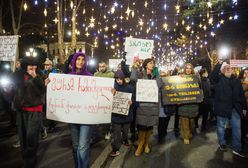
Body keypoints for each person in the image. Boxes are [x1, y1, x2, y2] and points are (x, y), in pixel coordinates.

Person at [14, 56, 48, 168]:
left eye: (34, 65)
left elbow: (42, 90)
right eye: (30, 65)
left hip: (35, 111)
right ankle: (25, 160)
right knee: (23, 138)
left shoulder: (40, 75)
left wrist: (35, 77)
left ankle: (30, 162)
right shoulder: (19, 75)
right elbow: (13, 89)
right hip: (21, 111)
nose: (32, 67)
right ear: (25, 66)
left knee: (31, 138)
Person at [210, 61, 247, 157]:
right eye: (226, 68)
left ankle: (237, 148)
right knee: (221, 127)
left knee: (237, 129)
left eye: (230, 68)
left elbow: (241, 95)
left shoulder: (236, 80)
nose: (229, 69)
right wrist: (219, 63)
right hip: (222, 108)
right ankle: (222, 143)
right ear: (222, 71)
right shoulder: (218, 80)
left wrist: (244, 107)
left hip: (235, 108)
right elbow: (213, 75)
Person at [130, 58, 162, 156]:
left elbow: (160, 85)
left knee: (149, 126)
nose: (152, 65)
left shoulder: (155, 75)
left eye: (153, 63)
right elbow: (133, 79)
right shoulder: (140, 74)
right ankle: (141, 144)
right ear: (145, 65)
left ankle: (147, 144)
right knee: (142, 126)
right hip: (142, 104)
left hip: (153, 105)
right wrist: (134, 68)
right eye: (150, 63)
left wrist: (157, 74)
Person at [68, 52, 93, 168]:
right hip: (72, 116)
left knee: (82, 147)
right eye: (78, 59)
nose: (81, 61)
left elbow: (97, 94)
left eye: (83, 59)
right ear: (74, 61)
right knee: (75, 146)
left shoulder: (90, 77)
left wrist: (110, 91)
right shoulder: (67, 77)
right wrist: (49, 84)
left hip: (86, 117)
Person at [110, 70, 134, 157]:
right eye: (116, 79)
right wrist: (111, 94)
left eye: (120, 79)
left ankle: (125, 140)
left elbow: (134, 100)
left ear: (123, 78)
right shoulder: (113, 88)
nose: (118, 81)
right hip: (116, 116)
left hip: (127, 115)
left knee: (125, 131)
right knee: (116, 134)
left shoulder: (130, 88)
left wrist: (132, 102)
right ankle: (115, 149)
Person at [178, 63, 200, 144]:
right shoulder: (180, 77)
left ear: (192, 70)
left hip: (193, 104)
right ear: (184, 69)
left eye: (190, 68)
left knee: (191, 122)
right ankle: (186, 136)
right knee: (184, 120)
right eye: (186, 68)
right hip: (183, 104)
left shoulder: (195, 78)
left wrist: (198, 78)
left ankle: (189, 132)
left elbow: (200, 88)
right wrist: (179, 79)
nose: (188, 69)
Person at [94, 61, 114, 140]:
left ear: (106, 66)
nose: (101, 68)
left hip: (107, 98)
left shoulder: (111, 74)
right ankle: (97, 133)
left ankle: (107, 132)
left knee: (107, 117)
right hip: (98, 97)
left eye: (103, 66)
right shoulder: (96, 75)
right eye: (100, 66)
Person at [195, 68, 211, 132]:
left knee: (205, 115)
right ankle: (195, 124)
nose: (207, 73)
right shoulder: (199, 81)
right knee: (199, 113)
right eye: (206, 72)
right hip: (202, 100)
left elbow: (209, 88)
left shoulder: (208, 80)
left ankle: (203, 127)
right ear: (203, 74)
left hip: (207, 100)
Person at [239, 68, 248, 145]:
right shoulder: (241, 82)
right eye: (245, 73)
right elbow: (241, 92)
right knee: (243, 123)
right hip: (244, 107)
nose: (246, 74)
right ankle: (242, 138)